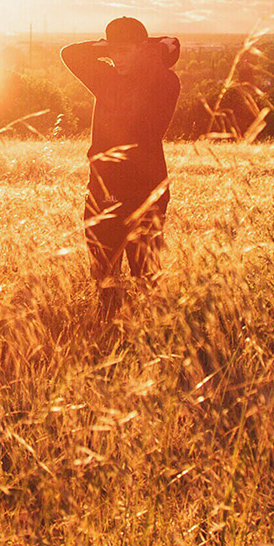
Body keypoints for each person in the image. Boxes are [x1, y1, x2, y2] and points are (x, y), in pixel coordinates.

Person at [62, 18, 181, 320]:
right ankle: (108, 327)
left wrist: (149, 48)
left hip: (146, 187)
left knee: (146, 274)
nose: (118, 58)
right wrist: (108, 46)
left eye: (125, 51)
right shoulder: (106, 78)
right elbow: (70, 54)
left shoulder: (165, 82)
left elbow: (162, 63)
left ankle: (154, 332)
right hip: (104, 185)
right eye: (113, 51)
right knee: (103, 271)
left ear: (143, 50)